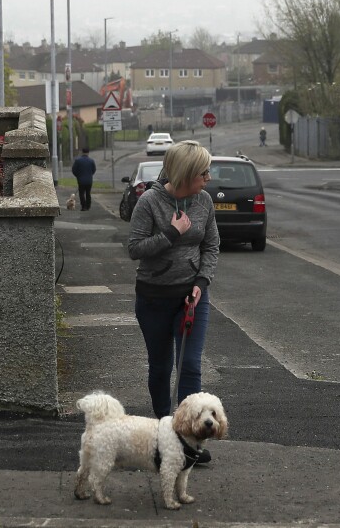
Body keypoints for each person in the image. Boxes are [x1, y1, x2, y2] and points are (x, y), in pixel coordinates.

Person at [127, 140, 220, 459]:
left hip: (192, 297)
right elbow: (134, 249)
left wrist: (201, 281)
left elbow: (211, 246)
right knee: (161, 366)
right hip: (154, 298)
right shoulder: (150, 201)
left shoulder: (204, 201)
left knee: (190, 366)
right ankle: (164, 430)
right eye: (203, 172)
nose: (208, 178)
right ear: (187, 173)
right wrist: (170, 234)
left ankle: (188, 441)